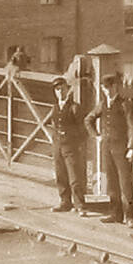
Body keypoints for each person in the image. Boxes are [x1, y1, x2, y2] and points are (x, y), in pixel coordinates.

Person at [85, 73, 133, 226]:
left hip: (122, 149)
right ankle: (116, 214)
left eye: (109, 87)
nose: (107, 91)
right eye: (104, 88)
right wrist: (96, 136)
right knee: (112, 182)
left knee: (125, 183)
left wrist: (131, 147)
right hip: (107, 148)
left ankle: (131, 217)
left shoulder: (124, 104)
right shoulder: (102, 104)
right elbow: (88, 119)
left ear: (115, 86)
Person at [48, 77, 89, 214]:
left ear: (68, 89)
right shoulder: (54, 107)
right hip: (58, 145)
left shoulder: (74, 107)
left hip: (71, 147)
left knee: (74, 177)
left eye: (63, 89)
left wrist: (78, 144)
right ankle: (65, 202)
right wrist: (54, 141)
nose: (60, 92)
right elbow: (53, 125)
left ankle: (80, 205)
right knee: (60, 175)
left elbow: (83, 129)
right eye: (57, 90)